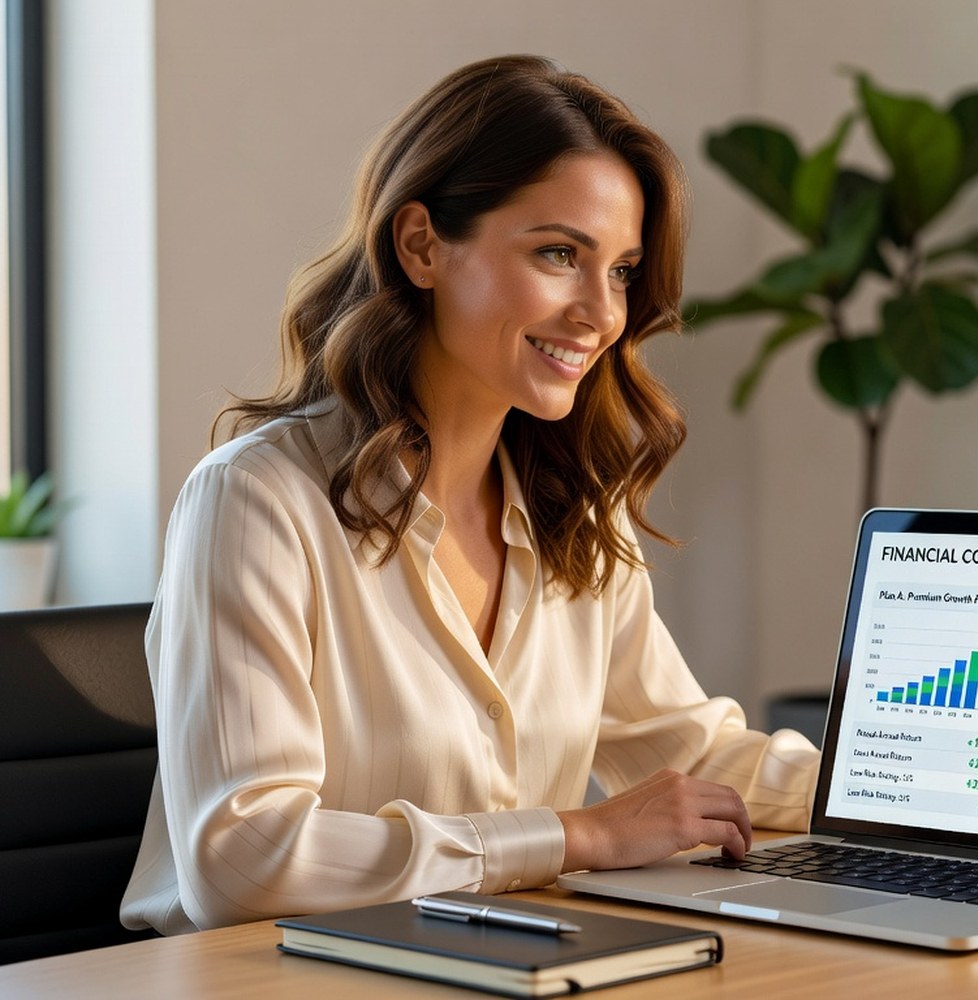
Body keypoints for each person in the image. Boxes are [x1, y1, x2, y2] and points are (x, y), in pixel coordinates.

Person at [120, 55, 820, 935]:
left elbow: (696, 754)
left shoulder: (577, 512)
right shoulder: (258, 501)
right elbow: (243, 859)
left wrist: (932, 794)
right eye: (560, 254)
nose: (601, 314)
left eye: (621, 270)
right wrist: (572, 836)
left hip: (495, 962)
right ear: (421, 245)